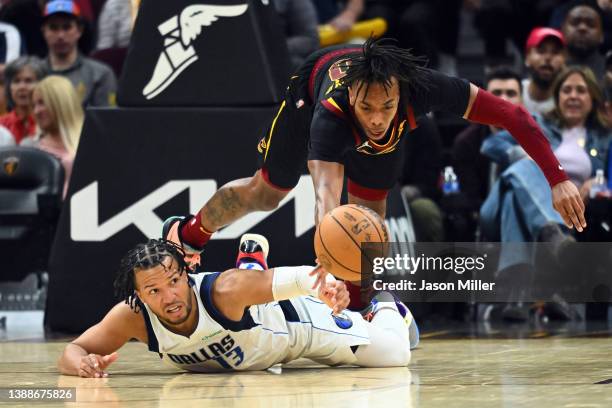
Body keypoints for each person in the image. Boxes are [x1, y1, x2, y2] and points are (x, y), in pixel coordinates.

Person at [165, 38, 584, 306]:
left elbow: (513, 115)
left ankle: (359, 304)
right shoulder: (329, 115)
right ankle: (188, 234)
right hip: (306, 97)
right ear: (352, 98)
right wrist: (326, 253)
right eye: (367, 107)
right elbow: (326, 197)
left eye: (387, 106)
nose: (378, 118)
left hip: (377, 135)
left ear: (401, 91)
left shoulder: (425, 86)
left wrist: (557, 177)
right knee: (269, 191)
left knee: (371, 219)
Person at [57, 235, 418, 376]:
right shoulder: (132, 318)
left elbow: (297, 278)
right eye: (153, 291)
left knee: (396, 354)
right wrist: (83, 364)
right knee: (250, 288)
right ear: (138, 295)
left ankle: (386, 307)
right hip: (255, 341)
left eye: (174, 281)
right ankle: (250, 262)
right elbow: (73, 350)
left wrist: (328, 288)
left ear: (186, 274)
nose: (169, 297)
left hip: (296, 327)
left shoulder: (222, 291)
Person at [480, 66, 612, 320]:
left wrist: (594, 183)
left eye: (581, 90)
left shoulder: (603, 137)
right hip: (494, 214)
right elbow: (491, 143)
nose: (573, 96)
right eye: (566, 90)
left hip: (570, 213)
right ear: (557, 97)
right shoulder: (539, 125)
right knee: (523, 167)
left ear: (592, 97)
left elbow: (608, 175)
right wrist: (528, 156)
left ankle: (516, 298)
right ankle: (552, 234)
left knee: (513, 200)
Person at [41, 0, 117, 107]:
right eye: (53, 28)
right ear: (44, 31)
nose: (60, 35)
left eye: (67, 27)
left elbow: (107, 120)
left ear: (79, 30)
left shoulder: (100, 74)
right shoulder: (34, 73)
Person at [21, 75, 84, 198]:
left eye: (42, 103)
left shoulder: (92, 141)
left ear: (61, 103)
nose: (36, 111)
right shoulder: (29, 147)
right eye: (33, 106)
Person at [0, 56, 47, 145]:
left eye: (28, 81)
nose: (21, 87)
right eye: (16, 81)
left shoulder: (48, 124)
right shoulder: (1, 125)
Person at [523, 27, 567, 116]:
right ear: (527, 57)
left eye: (555, 52)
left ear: (564, 60)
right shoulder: (513, 92)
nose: (548, 58)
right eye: (541, 51)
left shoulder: (568, 100)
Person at [561, 1, 606, 79]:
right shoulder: (550, 68)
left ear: (601, 35)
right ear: (563, 30)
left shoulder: (609, 70)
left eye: (591, 24)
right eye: (575, 23)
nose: (582, 28)